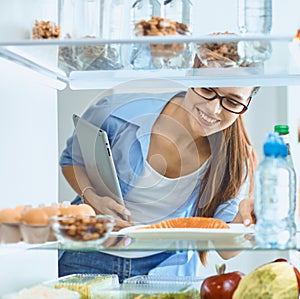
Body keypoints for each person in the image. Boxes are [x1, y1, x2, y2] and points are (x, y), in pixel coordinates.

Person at [58, 78, 260, 282]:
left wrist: (249, 220)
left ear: (246, 105)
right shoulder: (120, 111)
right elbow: (72, 160)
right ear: (192, 76)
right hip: (86, 255)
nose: (213, 108)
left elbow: (226, 249)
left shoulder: (235, 158)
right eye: (208, 89)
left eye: (233, 102)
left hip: (164, 271)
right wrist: (93, 199)